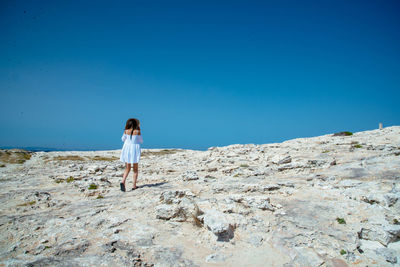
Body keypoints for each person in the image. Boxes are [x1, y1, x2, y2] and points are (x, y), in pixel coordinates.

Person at [119, 118, 143, 191]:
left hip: (127, 149)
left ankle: (123, 181)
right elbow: (141, 140)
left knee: (127, 168)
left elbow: (123, 139)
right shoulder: (137, 131)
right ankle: (134, 185)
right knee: (135, 169)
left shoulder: (126, 131)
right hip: (134, 150)